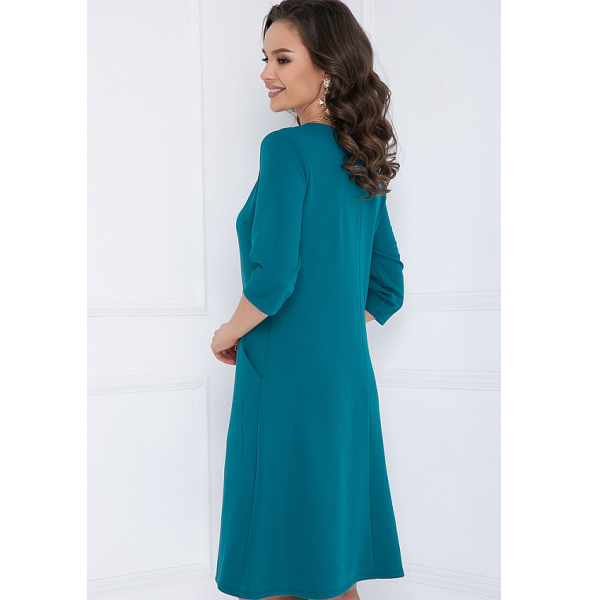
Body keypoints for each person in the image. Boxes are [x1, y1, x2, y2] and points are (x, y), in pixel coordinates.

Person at [210, 1, 405, 599]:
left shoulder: (286, 150)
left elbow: (272, 279)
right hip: (345, 379)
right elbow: (388, 284)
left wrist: (227, 333)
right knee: (329, 556)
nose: (266, 73)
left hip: (285, 378)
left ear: (328, 69)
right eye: (265, 58)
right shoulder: (361, 161)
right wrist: (331, 322)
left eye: (282, 58)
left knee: (275, 555)